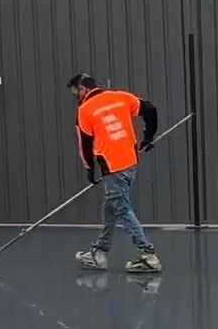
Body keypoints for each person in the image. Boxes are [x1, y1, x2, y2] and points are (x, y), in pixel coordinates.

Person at [66, 73, 162, 273]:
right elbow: (150, 109)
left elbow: (85, 145)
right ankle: (100, 252)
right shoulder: (120, 97)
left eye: (76, 92)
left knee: (122, 209)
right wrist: (148, 136)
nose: (77, 97)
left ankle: (148, 254)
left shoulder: (84, 111)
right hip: (130, 163)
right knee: (110, 206)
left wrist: (89, 169)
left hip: (112, 168)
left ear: (83, 89)